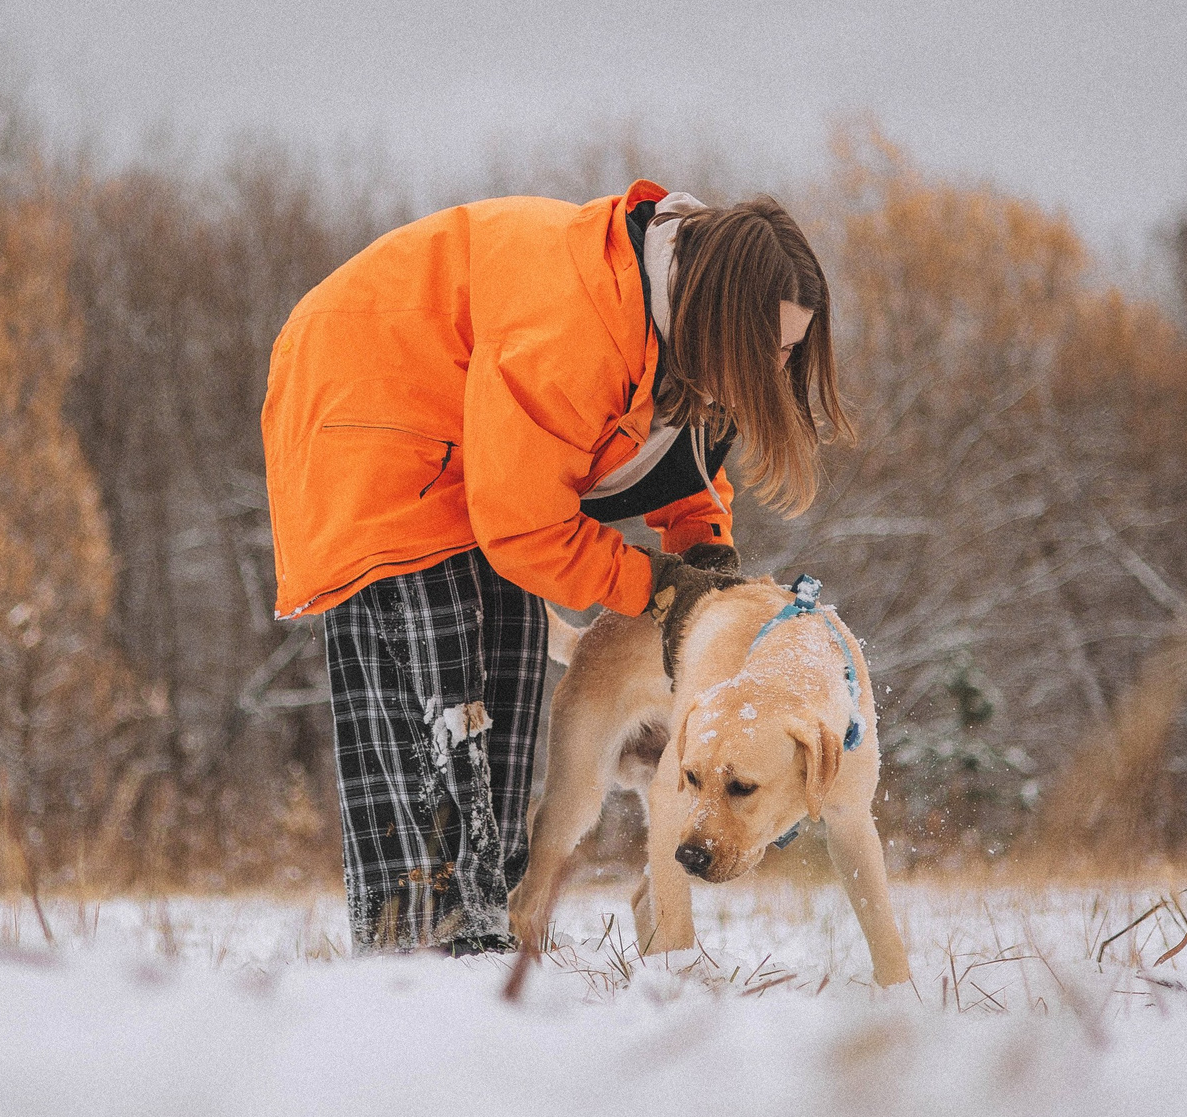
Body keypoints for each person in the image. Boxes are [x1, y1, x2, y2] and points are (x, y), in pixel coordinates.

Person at [261, 180, 848, 953]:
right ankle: (417, 954)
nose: (779, 366)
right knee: (440, 706)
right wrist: (658, 587)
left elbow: (690, 465)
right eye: (772, 347)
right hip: (367, 404)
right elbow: (526, 525)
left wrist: (703, 552)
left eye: (791, 350)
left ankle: (481, 938)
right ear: (722, 317)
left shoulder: (682, 332)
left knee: (502, 693)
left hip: (474, 451)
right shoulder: (581, 323)